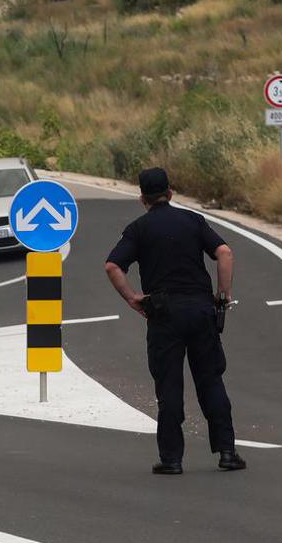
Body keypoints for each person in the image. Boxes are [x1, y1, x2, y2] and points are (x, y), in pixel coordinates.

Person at [103, 168, 245, 475]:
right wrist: (223, 294)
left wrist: (132, 298)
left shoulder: (138, 229)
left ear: (142, 198)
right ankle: (227, 452)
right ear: (171, 193)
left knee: (168, 385)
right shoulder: (193, 220)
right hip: (200, 309)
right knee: (210, 380)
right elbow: (224, 252)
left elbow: (113, 266)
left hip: (164, 314)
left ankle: (172, 459)